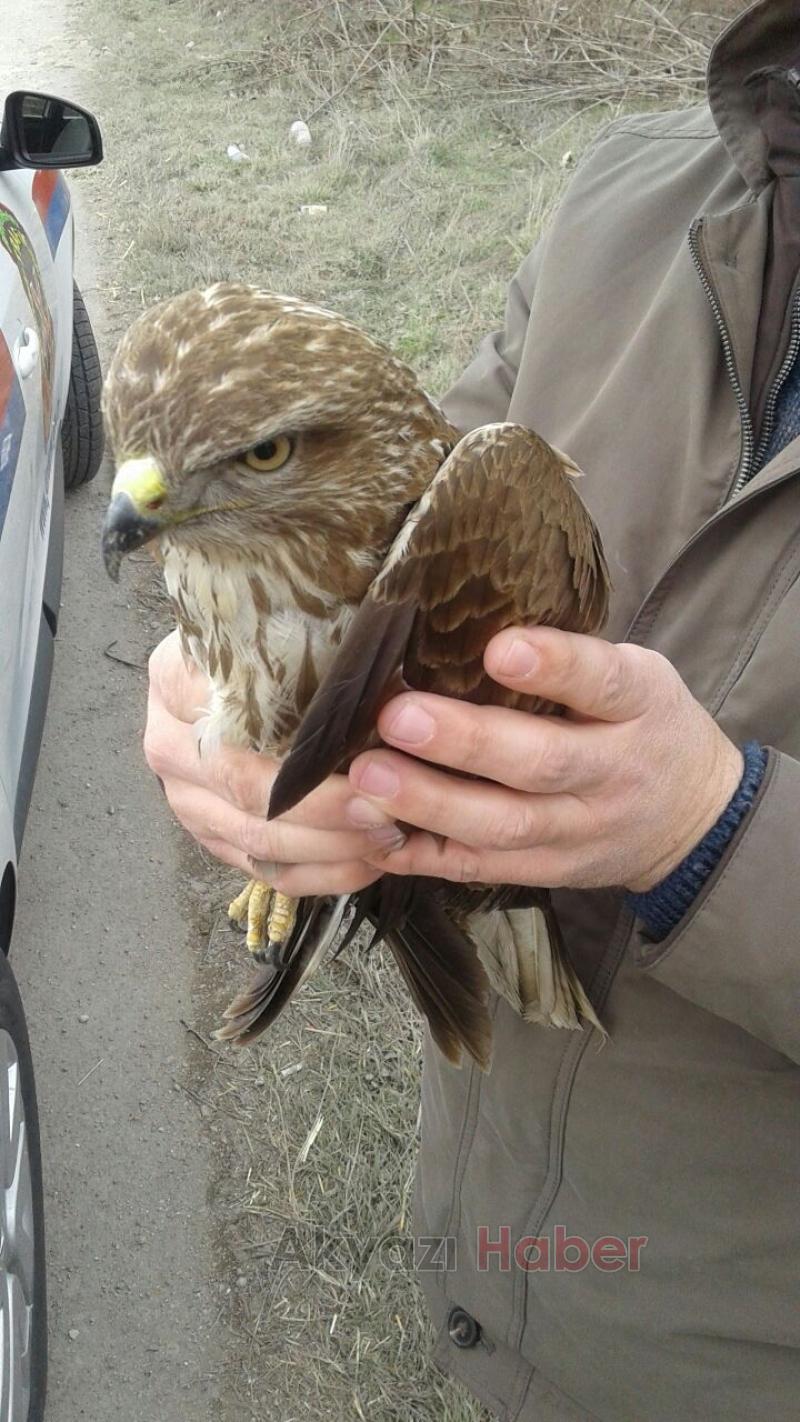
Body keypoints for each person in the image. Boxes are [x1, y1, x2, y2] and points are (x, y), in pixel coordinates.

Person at [143, 2, 800, 1416]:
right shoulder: (635, 187)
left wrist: (716, 830)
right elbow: (408, 495)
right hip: (503, 1230)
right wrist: (236, 672)